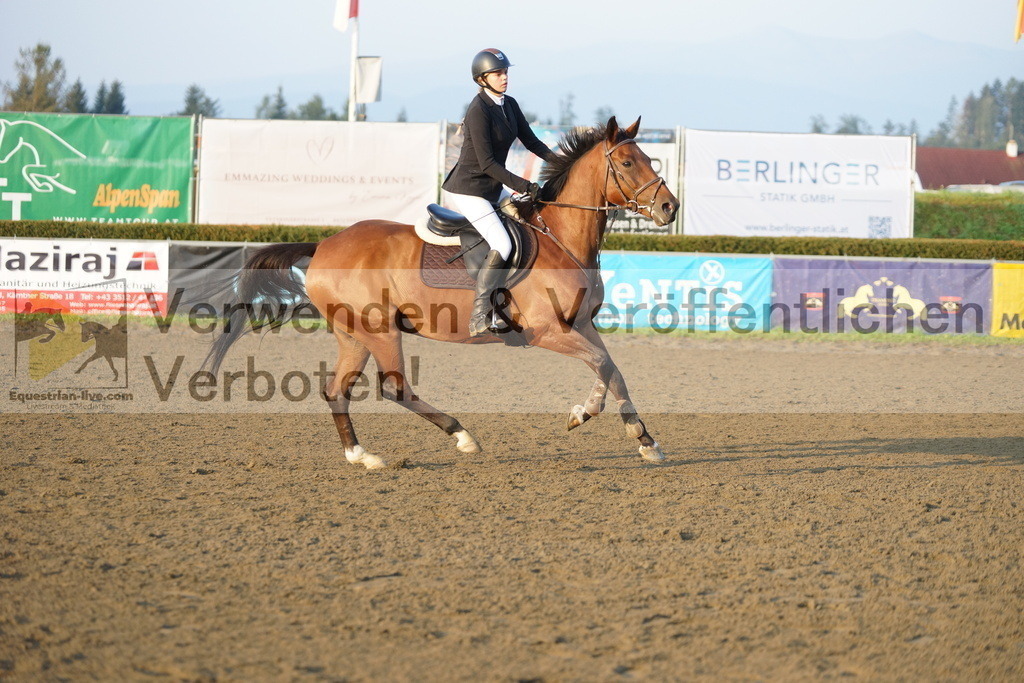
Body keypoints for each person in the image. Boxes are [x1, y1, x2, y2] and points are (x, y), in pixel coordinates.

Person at [442, 48, 559, 336]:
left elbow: (532, 141)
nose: (504, 77)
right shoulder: (478, 110)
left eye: (505, 72)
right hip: (469, 190)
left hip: (492, 189)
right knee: (503, 244)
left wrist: (563, 164)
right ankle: (480, 314)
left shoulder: (509, 104)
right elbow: (487, 164)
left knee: (530, 228)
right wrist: (524, 186)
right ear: (482, 79)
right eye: (498, 73)